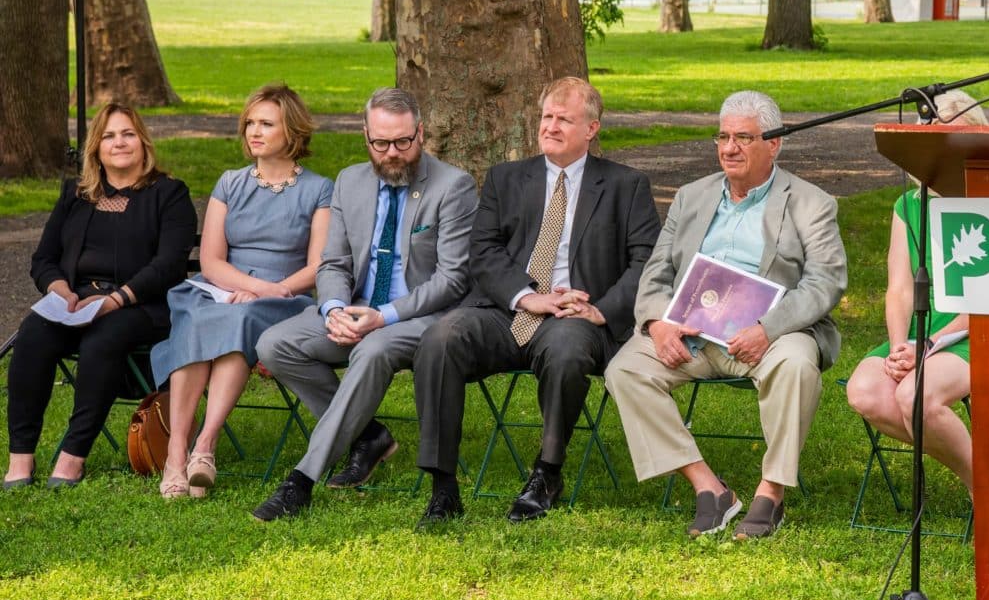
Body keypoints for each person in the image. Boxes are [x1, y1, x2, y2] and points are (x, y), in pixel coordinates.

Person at [412, 77, 660, 526]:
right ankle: (442, 484)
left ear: (592, 129)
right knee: (441, 337)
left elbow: (648, 261)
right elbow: (482, 251)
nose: (551, 126)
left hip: (578, 317)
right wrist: (529, 297)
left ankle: (547, 473)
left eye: (564, 119)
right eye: (546, 116)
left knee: (566, 349)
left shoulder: (627, 185)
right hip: (509, 309)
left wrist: (601, 309)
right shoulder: (507, 178)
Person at [605, 91, 847, 540]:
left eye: (743, 137)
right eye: (722, 136)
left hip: (772, 334)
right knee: (625, 369)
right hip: (694, 336)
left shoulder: (811, 203)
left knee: (797, 363)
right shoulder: (691, 196)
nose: (728, 148)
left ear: (773, 143)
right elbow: (655, 273)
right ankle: (709, 488)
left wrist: (767, 328)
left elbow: (826, 282)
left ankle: (769, 493)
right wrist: (658, 324)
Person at [251, 87, 477, 521]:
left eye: (402, 142)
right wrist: (334, 309)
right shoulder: (350, 181)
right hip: (355, 309)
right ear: (365, 137)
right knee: (275, 344)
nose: (392, 153)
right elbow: (333, 262)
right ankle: (367, 435)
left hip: (421, 318)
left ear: (421, 134)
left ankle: (301, 480)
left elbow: (453, 280)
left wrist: (384, 317)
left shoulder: (453, 187)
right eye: (381, 143)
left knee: (374, 349)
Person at [149, 84, 333, 499]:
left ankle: (206, 444)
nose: (254, 131)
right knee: (203, 319)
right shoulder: (230, 183)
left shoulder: (321, 189)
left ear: (293, 131)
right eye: (250, 122)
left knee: (241, 320)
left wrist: (271, 291)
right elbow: (212, 261)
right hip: (223, 289)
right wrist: (250, 287)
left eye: (266, 123)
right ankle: (178, 452)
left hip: (285, 299)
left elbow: (318, 266)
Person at [4, 103, 196, 489]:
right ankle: (20, 459)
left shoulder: (169, 194)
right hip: (75, 303)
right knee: (31, 338)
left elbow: (169, 265)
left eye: (127, 133)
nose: (119, 142)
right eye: (109, 135)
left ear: (142, 141)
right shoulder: (76, 195)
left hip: (141, 305)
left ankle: (73, 457)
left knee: (102, 341)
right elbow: (44, 259)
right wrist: (60, 291)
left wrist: (117, 299)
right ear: (95, 147)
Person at [843, 91, 989, 494]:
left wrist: (929, 343)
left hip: (976, 332)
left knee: (915, 397)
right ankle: (985, 472)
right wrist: (898, 347)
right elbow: (899, 289)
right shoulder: (908, 205)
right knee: (865, 391)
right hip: (920, 335)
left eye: (953, 136)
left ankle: (986, 493)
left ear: (976, 136)